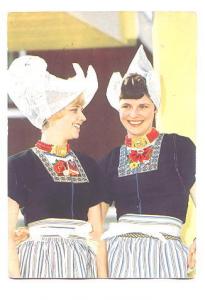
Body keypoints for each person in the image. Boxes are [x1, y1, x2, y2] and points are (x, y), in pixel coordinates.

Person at [99, 45, 196, 278]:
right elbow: (93, 221)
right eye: (127, 106)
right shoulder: (111, 159)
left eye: (143, 106)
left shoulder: (179, 147)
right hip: (120, 257)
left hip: (167, 254)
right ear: (117, 107)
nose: (134, 115)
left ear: (155, 108)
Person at [7, 55, 107, 279]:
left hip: (83, 265)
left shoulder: (89, 166)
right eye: (75, 109)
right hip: (37, 265)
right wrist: (15, 283)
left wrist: (104, 285)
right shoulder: (18, 165)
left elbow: (98, 235)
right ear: (53, 112)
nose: (83, 117)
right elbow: (5, 235)